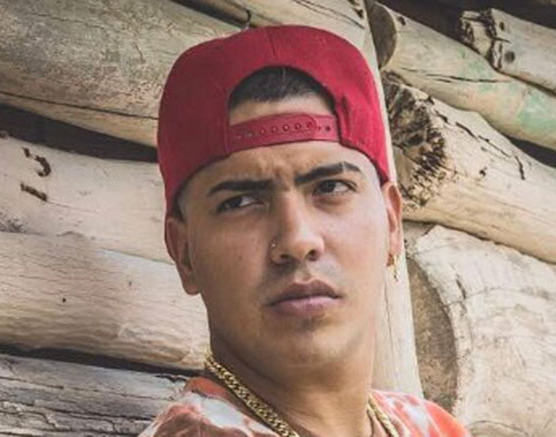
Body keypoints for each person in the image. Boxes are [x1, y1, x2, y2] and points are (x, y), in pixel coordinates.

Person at [140, 25, 468, 437]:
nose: (297, 240)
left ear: (391, 222)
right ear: (185, 254)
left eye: (330, 188)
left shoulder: (429, 427)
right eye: (240, 202)